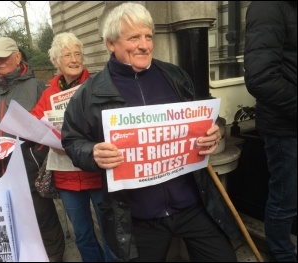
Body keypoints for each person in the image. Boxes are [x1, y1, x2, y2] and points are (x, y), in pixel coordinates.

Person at [61, 2, 240, 262]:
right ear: (111, 43)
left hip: (192, 203)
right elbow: (72, 139)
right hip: (137, 216)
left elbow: (201, 123)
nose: (144, 45)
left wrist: (212, 135)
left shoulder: (175, 77)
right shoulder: (89, 93)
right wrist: (92, 152)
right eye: (134, 37)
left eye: (148, 36)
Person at [0, 37, 65, 262]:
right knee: (9, 215)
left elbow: (51, 125)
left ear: (18, 56)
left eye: (3, 56)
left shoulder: (38, 87)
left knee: (43, 217)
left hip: (30, 167)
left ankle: (55, 256)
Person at [31, 32, 114, 262]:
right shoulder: (48, 93)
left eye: (78, 54)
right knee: (82, 234)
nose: (74, 59)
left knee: (109, 232)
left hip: (96, 172)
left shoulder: (98, 84)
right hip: (66, 176)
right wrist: (46, 139)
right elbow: (34, 123)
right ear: (56, 62)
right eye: (67, 55)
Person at [244, 1, 297, 262]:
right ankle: (281, 255)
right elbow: (260, 77)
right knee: (285, 200)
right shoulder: (268, 6)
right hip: (285, 127)